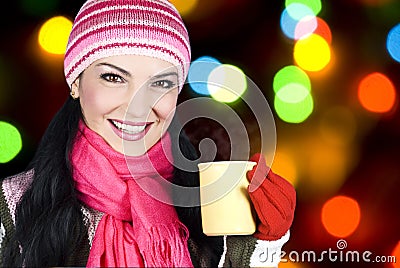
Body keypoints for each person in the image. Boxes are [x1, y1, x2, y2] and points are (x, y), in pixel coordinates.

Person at [0, 0, 296, 267]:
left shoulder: (207, 203)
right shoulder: (11, 208)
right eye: (113, 77)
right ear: (75, 82)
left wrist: (263, 245)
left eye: (161, 83)